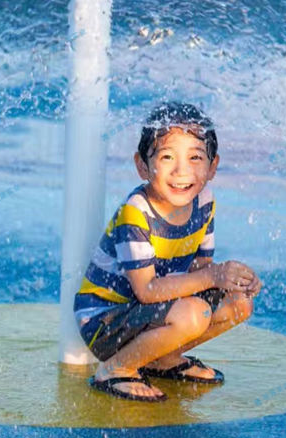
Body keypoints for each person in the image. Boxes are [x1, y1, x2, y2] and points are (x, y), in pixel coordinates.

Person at [73, 101, 263, 402]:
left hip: (150, 314)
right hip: (105, 321)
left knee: (239, 303)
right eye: (167, 156)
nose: (181, 171)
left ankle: (163, 358)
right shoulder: (136, 213)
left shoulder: (204, 202)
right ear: (142, 165)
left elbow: (200, 271)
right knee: (194, 314)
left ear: (212, 166)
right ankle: (115, 369)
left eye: (195, 157)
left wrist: (234, 280)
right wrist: (214, 276)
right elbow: (147, 291)